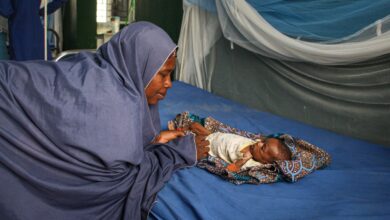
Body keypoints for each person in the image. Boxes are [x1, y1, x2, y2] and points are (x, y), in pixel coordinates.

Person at [0, 21, 208, 220]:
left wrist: (153, 139)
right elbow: (118, 184)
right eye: (162, 74)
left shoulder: (96, 67)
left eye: (170, 75)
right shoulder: (115, 108)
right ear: (138, 66)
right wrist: (178, 152)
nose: (169, 84)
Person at [178, 122, 292, 172]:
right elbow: (261, 139)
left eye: (263, 148)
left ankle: (176, 133)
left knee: (187, 141)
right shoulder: (256, 144)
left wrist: (242, 160)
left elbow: (231, 170)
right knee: (194, 125)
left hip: (209, 146)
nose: (259, 143)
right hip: (213, 135)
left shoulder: (251, 163)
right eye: (264, 142)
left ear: (265, 162)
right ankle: (182, 129)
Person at [0, 0, 68, 61]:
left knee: (20, 69)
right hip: (37, 30)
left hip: (19, 32)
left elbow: (5, 10)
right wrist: (44, 11)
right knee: (43, 66)